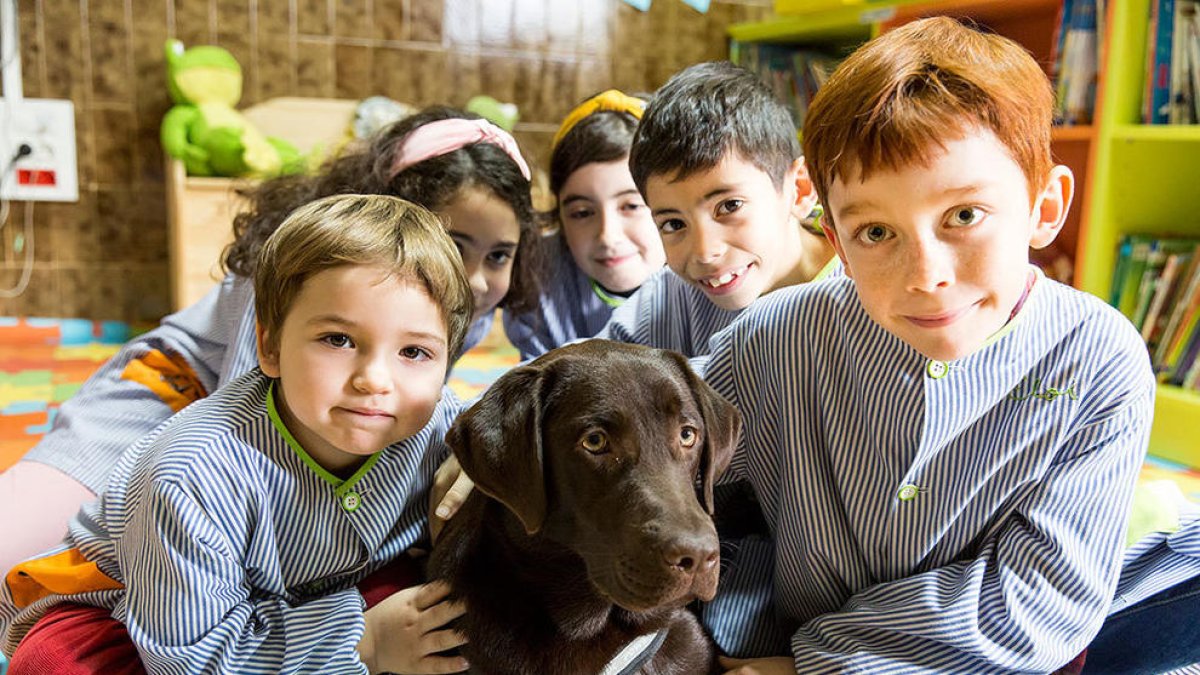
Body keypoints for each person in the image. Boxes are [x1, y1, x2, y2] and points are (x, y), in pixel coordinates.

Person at [702, 18, 1200, 674]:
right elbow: (652, 448)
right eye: (877, 231)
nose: (926, 274)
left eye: (964, 216)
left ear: (1044, 207)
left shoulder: (1099, 355)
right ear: (838, 245)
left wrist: (813, 664)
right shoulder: (773, 339)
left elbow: (1040, 598)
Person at [0, 107, 541, 575]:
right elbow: (251, 416)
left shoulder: (460, 305)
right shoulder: (300, 275)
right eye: (454, 244)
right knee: (17, 560)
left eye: (498, 256)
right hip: (168, 394)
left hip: (299, 406)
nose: (473, 279)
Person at [1, 194, 475, 675]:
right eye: (338, 340)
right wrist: (365, 644)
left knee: (442, 608)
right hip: (145, 615)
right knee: (53, 663)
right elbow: (188, 660)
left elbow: (499, 421)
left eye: (414, 353)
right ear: (268, 346)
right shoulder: (190, 475)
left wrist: (475, 467)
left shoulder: (441, 426)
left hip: (316, 587)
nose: (375, 380)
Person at [502, 90, 666, 360]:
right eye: (581, 212)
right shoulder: (540, 282)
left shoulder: (708, 278)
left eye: (632, 206)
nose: (608, 236)